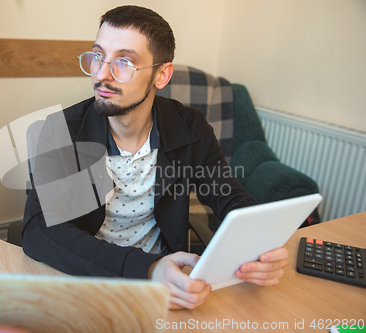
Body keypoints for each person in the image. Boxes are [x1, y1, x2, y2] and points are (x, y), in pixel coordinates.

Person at [22, 5, 288, 310]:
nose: (102, 74)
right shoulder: (61, 131)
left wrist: (260, 244)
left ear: (162, 74)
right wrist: (146, 269)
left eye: (124, 62)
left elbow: (229, 197)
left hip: (167, 286)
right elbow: (38, 230)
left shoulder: (190, 126)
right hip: (91, 277)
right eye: (97, 57)